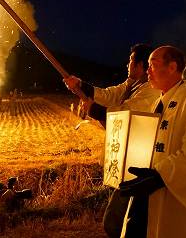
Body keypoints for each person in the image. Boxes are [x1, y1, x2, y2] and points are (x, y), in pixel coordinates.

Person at [118, 45, 186, 238]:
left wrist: (159, 176)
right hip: (153, 195)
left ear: (172, 67)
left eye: (153, 65)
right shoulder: (157, 103)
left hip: (183, 200)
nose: (147, 71)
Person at [64, 43, 161, 238]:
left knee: (116, 222)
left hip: (140, 162)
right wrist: (80, 86)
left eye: (132, 61)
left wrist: (94, 110)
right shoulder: (130, 85)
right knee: (129, 222)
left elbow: (127, 112)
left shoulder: (150, 90)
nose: (128, 65)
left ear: (142, 65)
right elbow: (109, 95)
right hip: (128, 160)